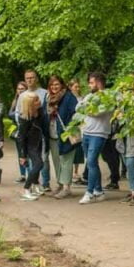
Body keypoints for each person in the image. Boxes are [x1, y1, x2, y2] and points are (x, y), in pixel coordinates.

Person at [77, 72, 113, 204]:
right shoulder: (89, 96)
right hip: (86, 133)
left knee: (91, 162)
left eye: (91, 83)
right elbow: (78, 107)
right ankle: (99, 191)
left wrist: (86, 108)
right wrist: (88, 108)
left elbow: (97, 112)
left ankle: (89, 192)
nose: (89, 85)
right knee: (92, 163)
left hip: (99, 134)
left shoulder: (108, 97)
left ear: (99, 83)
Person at [45, 76, 79, 199]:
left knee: (66, 160)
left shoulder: (69, 97)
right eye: (52, 85)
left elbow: (76, 114)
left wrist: (70, 127)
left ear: (62, 85)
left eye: (57, 84)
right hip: (53, 133)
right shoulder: (49, 98)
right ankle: (60, 184)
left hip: (66, 133)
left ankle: (66, 188)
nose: (54, 87)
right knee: (57, 161)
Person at [23, 69, 51, 192]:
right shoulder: (23, 96)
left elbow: (46, 114)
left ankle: (43, 183)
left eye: (32, 77)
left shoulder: (44, 93)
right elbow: (21, 136)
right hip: (31, 141)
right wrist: (22, 154)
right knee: (37, 163)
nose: (30, 80)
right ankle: (29, 187)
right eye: (27, 78)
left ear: (36, 78)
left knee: (42, 161)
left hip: (42, 137)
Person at [16, 91, 46, 201]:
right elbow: (21, 138)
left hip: (38, 142)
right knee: (39, 164)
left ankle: (35, 184)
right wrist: (22, 155)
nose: (39, 101)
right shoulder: (24, 119)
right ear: (30, 104)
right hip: (30, 146)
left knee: (37, 164)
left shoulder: (40, 112)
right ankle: (26, 189)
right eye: (36, 100)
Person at [10, 81, 28, 183]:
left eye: (22, 89)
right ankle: (22, 174)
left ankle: (30, 174)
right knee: (20, 152)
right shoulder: (15, 101)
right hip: (18, 130)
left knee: (28, 153)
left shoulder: (29, 99)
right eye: (19, 89)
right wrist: (18, 115)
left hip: (28, 131)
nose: (20, 91)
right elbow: (10, 114)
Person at [68, 78, 86, 184]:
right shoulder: (68, 98)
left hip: (80, 126)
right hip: (71, 126)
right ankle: (69, 172)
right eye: (75, 87)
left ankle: (76, 171)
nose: (77, 88)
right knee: (71, 148)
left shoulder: (82, 98)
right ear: (70, 87)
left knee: (79, 150)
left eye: (78, 86)